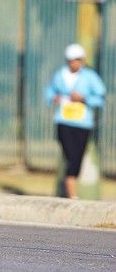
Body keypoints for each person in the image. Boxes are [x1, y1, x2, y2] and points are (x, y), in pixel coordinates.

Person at [45, 43, 106, 199]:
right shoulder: (60, 76)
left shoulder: (90, 77)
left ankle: (70, 191)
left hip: (83, 124)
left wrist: (84, 99)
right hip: (64, 122)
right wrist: (54, 98)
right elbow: (48, 93)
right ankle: (72, 195)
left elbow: (100, 98)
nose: (75, 63)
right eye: (72, 60)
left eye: (78, 60)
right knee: (70, 156)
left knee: (77, 157)